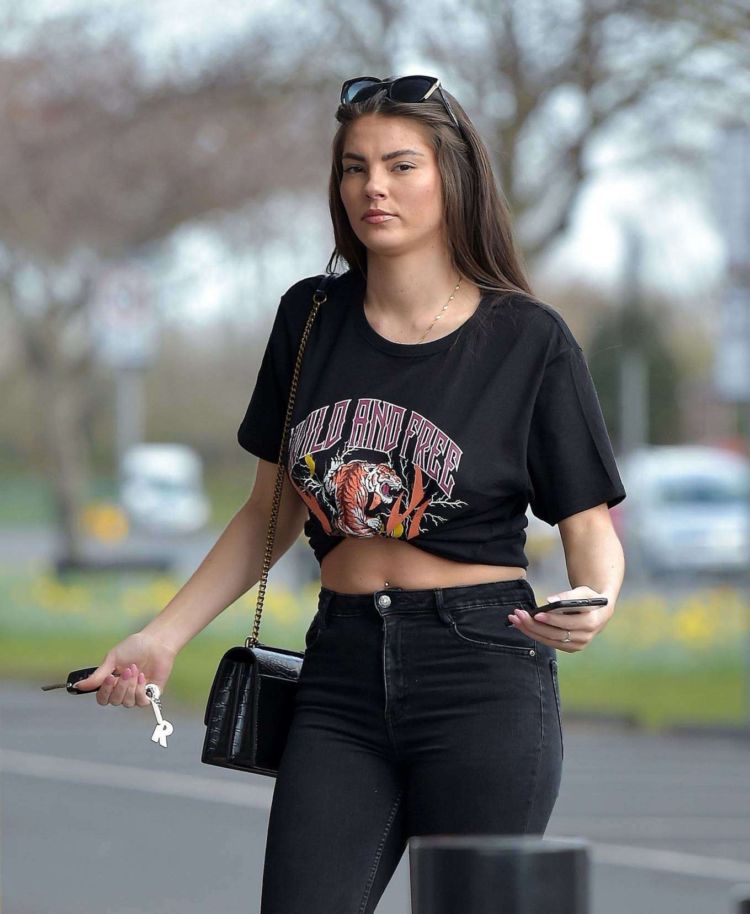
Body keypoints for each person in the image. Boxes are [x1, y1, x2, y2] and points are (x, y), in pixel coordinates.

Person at [76, 74, 627, 913]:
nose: (374, 186)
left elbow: (589, 525)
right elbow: (268, 513)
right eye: (354, 167)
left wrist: (595, 601)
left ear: (452, 178)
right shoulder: (309, 320)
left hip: (482, 671)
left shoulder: (527, 338)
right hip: (341, 673)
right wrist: (163, 635)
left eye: (401, 165)